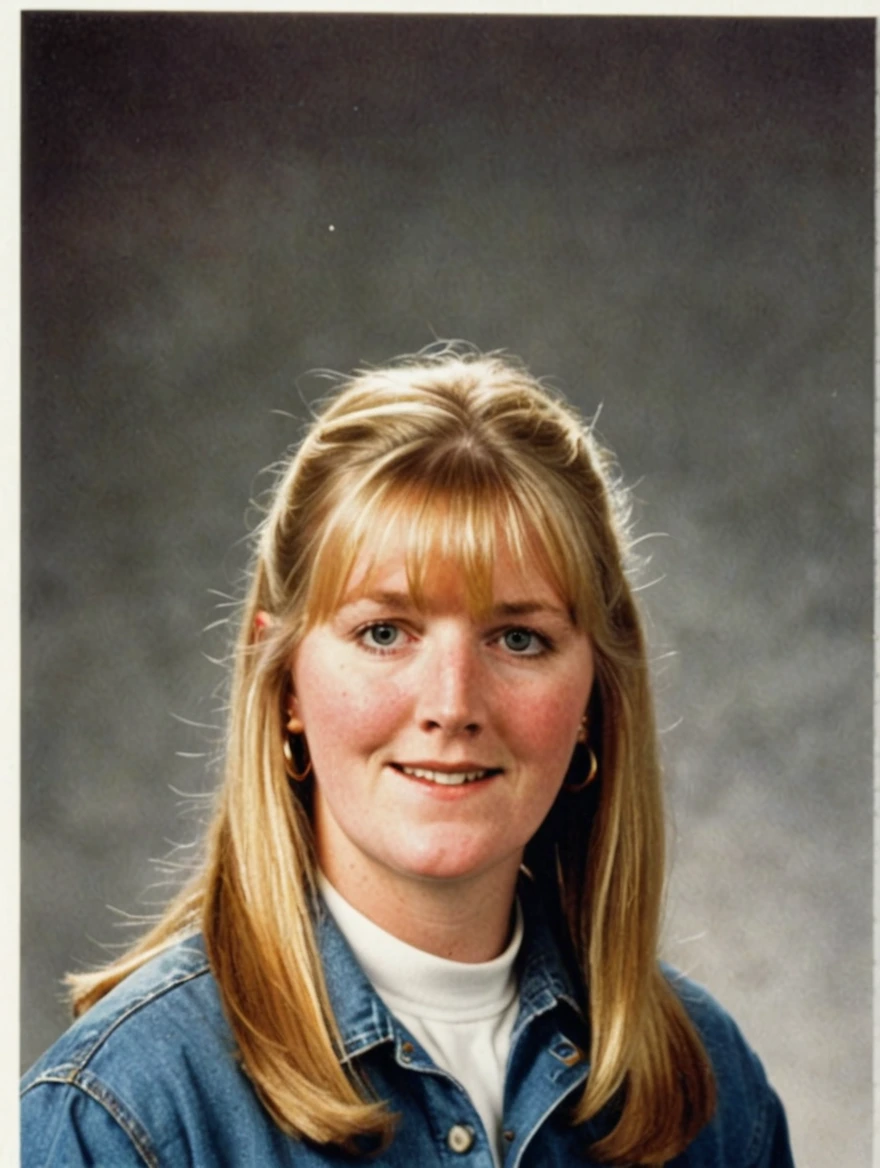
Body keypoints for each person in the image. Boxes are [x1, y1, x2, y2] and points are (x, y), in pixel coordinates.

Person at [21, 346, 795, 1167]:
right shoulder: (115, 1116)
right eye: (383, 632)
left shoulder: (711, 1091)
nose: (453, 705)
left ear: (595, 700)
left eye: (519, 638)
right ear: (282, 682)